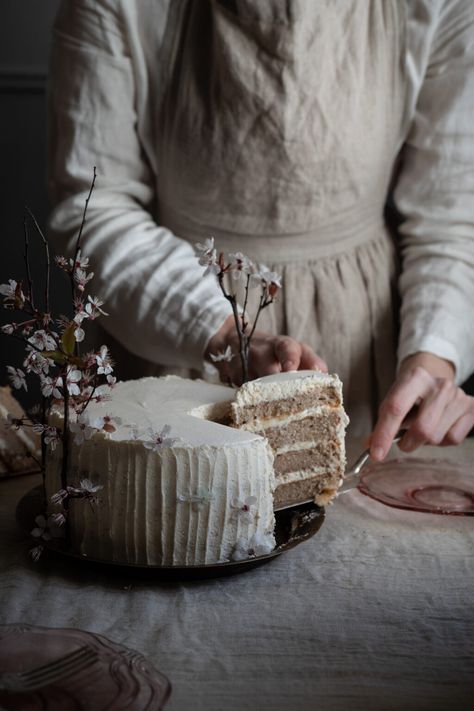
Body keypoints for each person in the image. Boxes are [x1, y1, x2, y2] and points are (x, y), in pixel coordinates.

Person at [47, 0, 474, 459]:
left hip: (363, 347)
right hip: (174, 330)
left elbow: (452, 220)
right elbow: (94, 206)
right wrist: (224, 335)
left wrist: (433, 355)